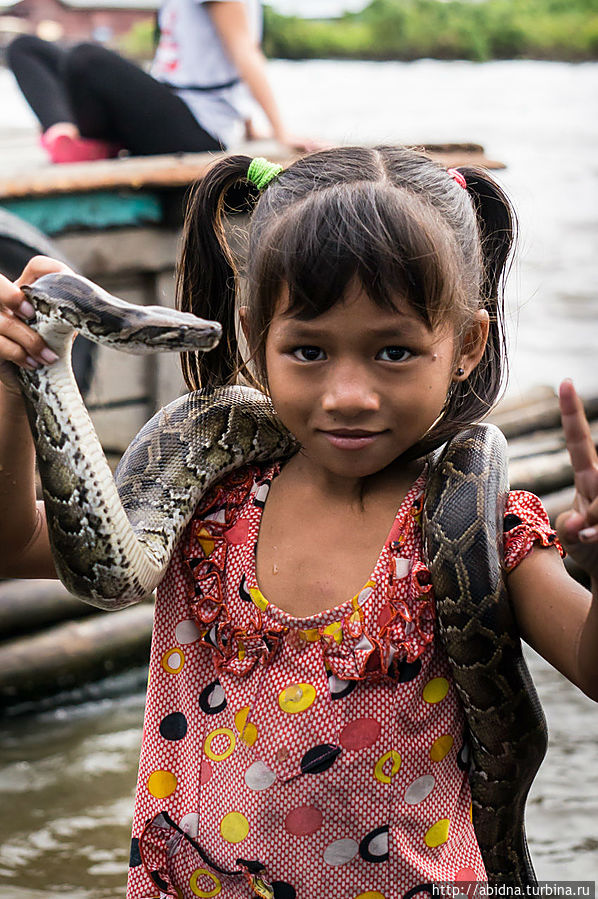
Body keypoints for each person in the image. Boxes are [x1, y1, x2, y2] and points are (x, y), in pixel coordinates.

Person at [0, 147, 597, 895]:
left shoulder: (485, 525)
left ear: (466, 346)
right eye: (309, 350)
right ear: (254, 336)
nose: (348, 393)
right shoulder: (211, 502)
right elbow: (21, 545)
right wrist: (22, 376)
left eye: (394, 351)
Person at [6, 1, 318, 164]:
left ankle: (90, 142)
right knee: (26, 48)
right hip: (165, 109)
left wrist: (280, 132)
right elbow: (213, 59)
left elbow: (244, 51)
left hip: (197, 129)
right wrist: (250, 126)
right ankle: (66, 135)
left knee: (87, 58)